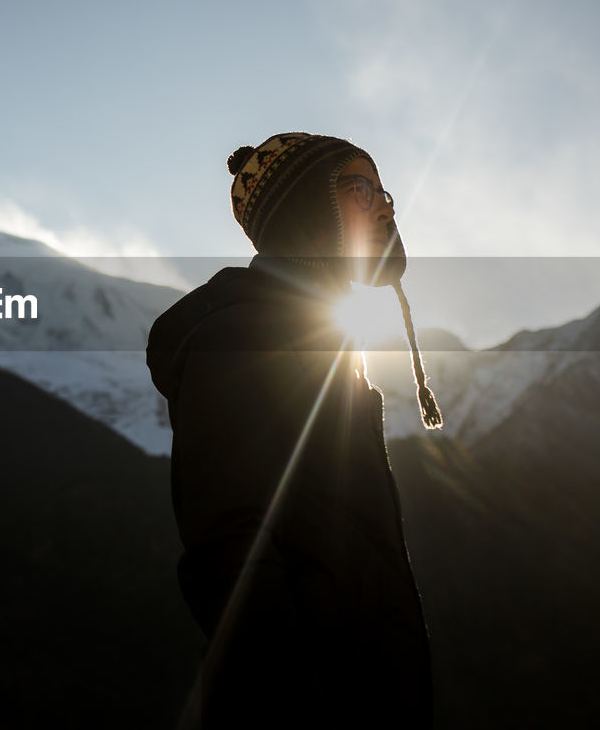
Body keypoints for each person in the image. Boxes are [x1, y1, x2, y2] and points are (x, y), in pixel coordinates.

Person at [147, 133, 443, 727]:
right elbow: (232, 548)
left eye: (383, 189)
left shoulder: (325, 342)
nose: (384, 204)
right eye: (359, 189)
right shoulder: (243, 337)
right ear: (308, 212)